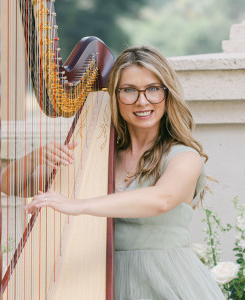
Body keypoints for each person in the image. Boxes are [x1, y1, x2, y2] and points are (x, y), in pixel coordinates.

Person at [24, 45, 226, 299]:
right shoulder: (101, 158)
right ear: (115, 96)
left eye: (153, 89)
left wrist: (78, 204)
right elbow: (10, 185)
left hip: (166, 282)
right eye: (129, 90)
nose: (142, 101)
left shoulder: (183, 157)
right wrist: (34, 157)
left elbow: (161, 200)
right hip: (103, 281)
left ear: (167, 94)